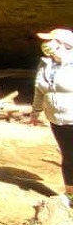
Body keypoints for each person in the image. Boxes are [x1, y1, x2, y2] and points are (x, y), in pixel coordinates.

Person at [30, 28, 73, 201]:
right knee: (68, 156)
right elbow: (39, 90)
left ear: (64, 45)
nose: (46, 44)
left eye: (51, 41)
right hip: (56, 119)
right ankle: (70, 195)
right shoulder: (45, 64)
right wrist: (36, 111)